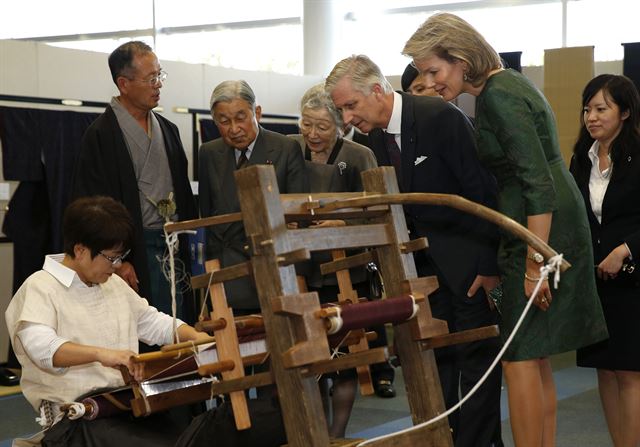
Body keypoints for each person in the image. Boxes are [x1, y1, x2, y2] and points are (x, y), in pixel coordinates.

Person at [403, 13, 608, 446]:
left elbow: (537, 182)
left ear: (460, 59)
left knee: (518, 358)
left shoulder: (498, 95)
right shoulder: (504, 86)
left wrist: (537, 259)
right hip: (537, 227)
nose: (431, 82)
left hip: (540, 230)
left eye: (434, 71)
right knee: (532, 357)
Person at [325, 54, 503, 447]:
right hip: (420, 274)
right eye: (341, 110)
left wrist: (489, 266)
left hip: (470, 268)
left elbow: (485, 191)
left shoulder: (439, 116)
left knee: (477, 363)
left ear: (377, 90)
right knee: (434, 365)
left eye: (350, 106)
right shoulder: (373, 137)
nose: (347, 119)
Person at [5, 196, 210, 447]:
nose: (117, 265)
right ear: (80, 250)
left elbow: (151, 321)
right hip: (76, 421)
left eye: (120, 256)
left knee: (194, 439)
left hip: (127, 408)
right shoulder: (40, 287)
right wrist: (103, 355)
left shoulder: (112, 285)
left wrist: (196, 337)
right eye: (111, 257)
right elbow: (43, 348)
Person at [72, 41, 197, 322]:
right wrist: (117, 259)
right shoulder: (101, 135)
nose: (158, 85)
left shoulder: (169, 129)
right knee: (146, 324)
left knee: (182, 319)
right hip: (133, 249)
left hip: (175, 244)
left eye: (160, 76)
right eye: (151, 79)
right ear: (124, 84)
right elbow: (91, 206)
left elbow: (185, 195)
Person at [289, 83, 377, 437]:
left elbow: (378, 209)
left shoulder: (358, 156)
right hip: (301, 269)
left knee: (344, 360)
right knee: (311, 360)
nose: (312, 134)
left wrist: (345, 221)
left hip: (346, 271)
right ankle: (314, 433)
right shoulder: (290, 151)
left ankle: (336, 434)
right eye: (306, 124)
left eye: (322, 127)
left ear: (342, 126)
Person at [570, 74, 640, 447]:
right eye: (587, 109)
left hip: (633, 279)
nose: (591, 117)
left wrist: (625, 248)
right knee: (605, 371)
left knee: (630, 373)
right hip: (595, 282)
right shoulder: (582, 158)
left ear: (625, 112)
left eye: (601, 108)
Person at [198, 80, 307, 313]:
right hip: (224, 268)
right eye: (224, 121)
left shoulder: (285, 149)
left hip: (269, 264)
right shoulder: (208, 153)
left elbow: (298, 214)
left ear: (257, 112)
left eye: (241, 118)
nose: (234, 129)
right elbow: (206, 215)